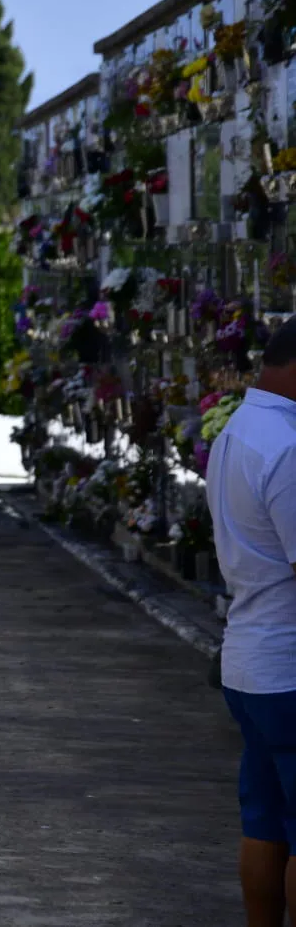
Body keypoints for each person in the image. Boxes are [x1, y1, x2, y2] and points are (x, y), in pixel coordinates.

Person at [207, 320, 296, 927]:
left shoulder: (241, 429)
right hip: (289, 666)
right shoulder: (288, 446)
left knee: (265, 821)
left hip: (249, 659)